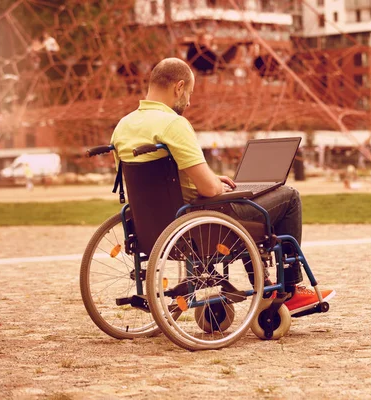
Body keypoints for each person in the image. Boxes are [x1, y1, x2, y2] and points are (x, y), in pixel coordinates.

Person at [110, 57, 334, 314]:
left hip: (152, 226)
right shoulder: (173, 124)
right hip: (197, 223)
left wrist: (213, 179)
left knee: (244, 203)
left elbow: (164, 180)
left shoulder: (123, 126)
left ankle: (266, 283)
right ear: (179, 87)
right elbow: (208, 191)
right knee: (288, 196)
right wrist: (217, 186)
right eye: (190, 93)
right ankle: (290, 289)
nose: (189, 102)